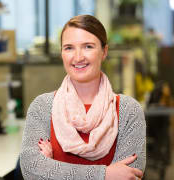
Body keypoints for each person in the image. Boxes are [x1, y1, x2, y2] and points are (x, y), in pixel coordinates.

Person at [20, 15, 146, 180]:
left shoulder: (128, 110)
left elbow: (129, 175)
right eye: (69, 48)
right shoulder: (42, 106)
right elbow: (31, 168)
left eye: (88, 46)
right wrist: (105, 175)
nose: (78, 57)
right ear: (62, 54)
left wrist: (52, 170)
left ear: (104, 52)